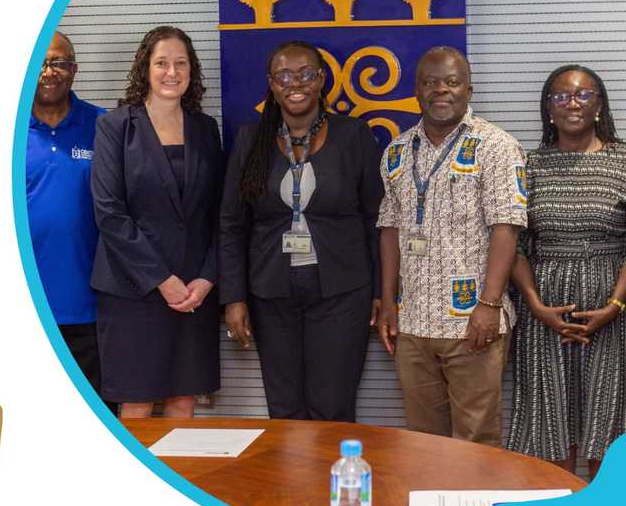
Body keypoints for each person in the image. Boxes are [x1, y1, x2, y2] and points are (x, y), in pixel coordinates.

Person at [218, 40, 383, 422]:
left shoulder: (353, 135)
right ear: (271, 84)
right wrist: (234, 298)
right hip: (270, 291)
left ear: (322, 80)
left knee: (332, 405)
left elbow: (377, 220)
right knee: (285, 408)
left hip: (342, 292)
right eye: (285, 76)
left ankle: (334, 482)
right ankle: (289, 483)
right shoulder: (250, 139)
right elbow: (231, 223)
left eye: (307, 74)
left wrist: (381, 292)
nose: (297, 83)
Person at [375, 46, 527, 446]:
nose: (441, 90)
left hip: (472, 322)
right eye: (430, 82)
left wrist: (489, 304)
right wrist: (389, 304)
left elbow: (507, 228)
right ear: (417, 91)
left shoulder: (497, 146)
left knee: (475, 439)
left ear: (469, 90)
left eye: (452, 82)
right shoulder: (395, 152)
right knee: (423, 443)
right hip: (414, 323)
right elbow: (389, 230)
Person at [90, 26, 223, 418]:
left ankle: (180, 478)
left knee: (184, 399)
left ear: (191, 71)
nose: (171, 72)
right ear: (144, 69)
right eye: (162, 62)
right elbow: (109, 213)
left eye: (181, 63)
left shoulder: (205, 129)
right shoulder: (115, 126)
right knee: (137, 402)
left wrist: (207, 277)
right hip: (135, 291)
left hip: (194, 292)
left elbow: (219, 212)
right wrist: (162, 281)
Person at [505, 65, 626, 478]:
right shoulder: (528, 164)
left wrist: (614, 306)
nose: (571, 103)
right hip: (543, 312)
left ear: (599, 105)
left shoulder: (623, 159)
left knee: (607, 420)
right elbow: (515, 244)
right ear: (548, 109)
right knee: (547, 422)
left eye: (582, 94)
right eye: (560, 96)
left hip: (613, 312)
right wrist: (537, 307)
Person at [26, 30, 114, 413]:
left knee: (96, 421)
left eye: (59, 62)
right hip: (26, 308)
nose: (49, 72)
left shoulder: (104, 125)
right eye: (40, 63)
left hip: (92, 311)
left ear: (74, 70)